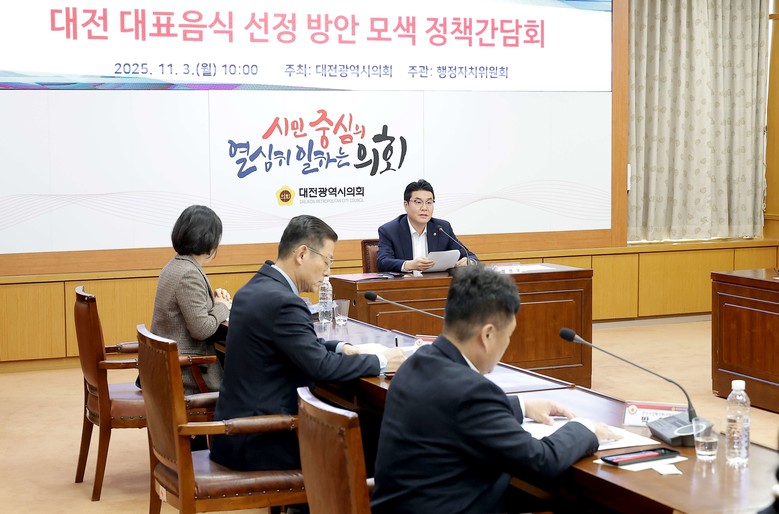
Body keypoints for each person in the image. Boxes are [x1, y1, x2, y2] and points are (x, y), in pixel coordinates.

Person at [371, 265, 619, 514]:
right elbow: (541, 461)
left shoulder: (416, 363)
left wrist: (522, 407)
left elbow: (450, 412)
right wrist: (585, 428)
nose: (507, 344)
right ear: (487, 335)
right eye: (508, 335)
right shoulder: (472, 392)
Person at [210, 214, 405, 473]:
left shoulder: (254, 288)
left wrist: (342, 348)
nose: (328, 271)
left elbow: (294, 344)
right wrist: (382, 362)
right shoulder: (284, 302)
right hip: (263, 439)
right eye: (327, 260)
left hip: (236, 435)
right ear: (302, 254)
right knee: (375, 436)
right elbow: (320, 367)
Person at [147, 205, 231, 395]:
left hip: (168, 366)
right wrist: (222, 307)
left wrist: (213, 302)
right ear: (209, 240)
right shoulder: (189, 274)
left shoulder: (174, 265)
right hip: (189, 373)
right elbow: (201, 329)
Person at [377, 179, 477, 273]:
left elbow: (470, 256)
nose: (424, 208)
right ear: (406, 205)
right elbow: (383, 262)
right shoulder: (390, 230)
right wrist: (410, 265)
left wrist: (469, 262)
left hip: (436, 283)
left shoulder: (442, 228)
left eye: (429, 202)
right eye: (418, 202)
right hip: (404, 284)